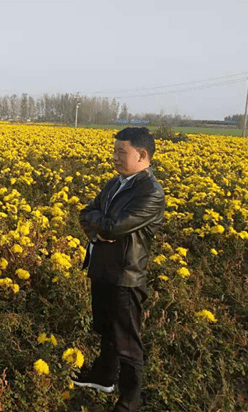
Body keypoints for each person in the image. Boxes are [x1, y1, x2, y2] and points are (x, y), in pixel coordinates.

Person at [76, 127, 165, 412]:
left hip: (125, 276)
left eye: (121, 152)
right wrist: (98, 224)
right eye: (114, 151)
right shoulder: (116, 183)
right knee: (105, 328)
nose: (114, 157)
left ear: (142, 155)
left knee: (127, 341)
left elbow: (114, 226)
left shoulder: (151, 192)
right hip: (103, 267)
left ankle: (129, 403)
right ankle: (104, 377)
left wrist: (100, 222)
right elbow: (86, 213)